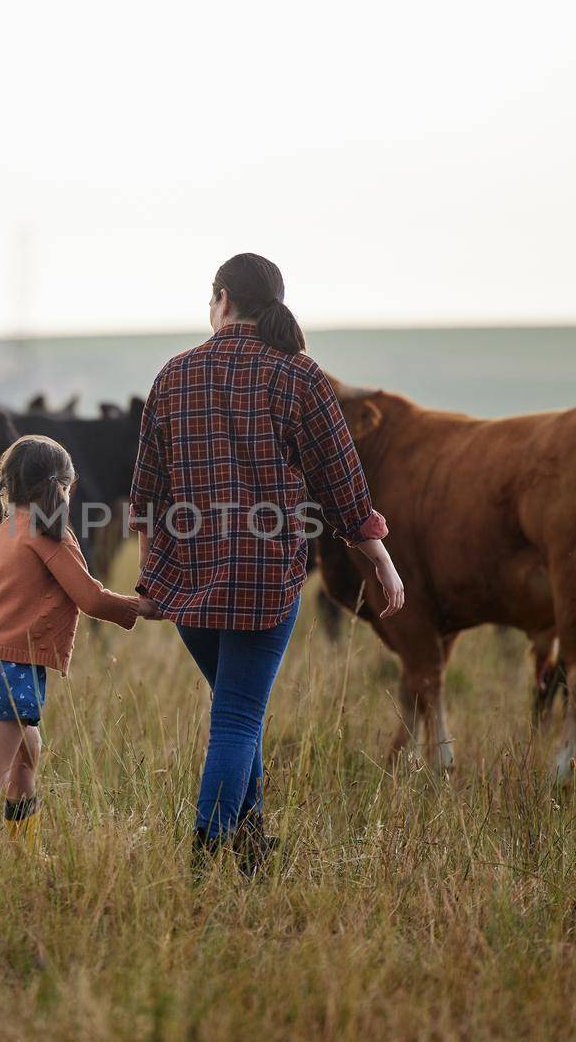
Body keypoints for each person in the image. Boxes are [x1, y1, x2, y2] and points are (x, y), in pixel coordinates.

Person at [129, 252, 404, 873]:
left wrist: (150, 579)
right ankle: (205, 856)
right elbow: (344, 487)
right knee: (236, 716)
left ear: (221, 298)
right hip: (264, 583)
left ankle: (252, 845)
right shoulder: (299, 377)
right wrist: (381, 560)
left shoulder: (173, 375)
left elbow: (145, 494)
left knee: (234, 709)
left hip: (188, 583)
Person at [0, 434, 149, 855]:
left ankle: (26, 855)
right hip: (12, 665)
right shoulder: (48, 533)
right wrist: (143, 607)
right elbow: (90, 598)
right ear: (63, 488)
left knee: (26, 755)